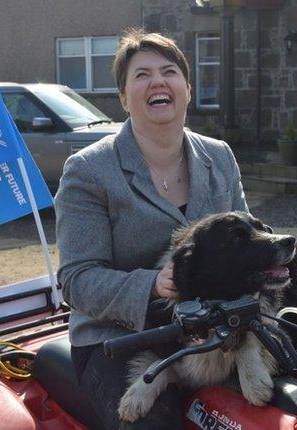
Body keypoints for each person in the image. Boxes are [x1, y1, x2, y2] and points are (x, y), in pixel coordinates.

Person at [54, 29, 249, 429]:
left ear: (187, 89)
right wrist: (153, 286)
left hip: (214, 330)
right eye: (142, 74)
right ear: (124, 98)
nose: (158, 81)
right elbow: (77, 279)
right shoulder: (89, 170)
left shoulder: (219, 156)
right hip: (118, 341)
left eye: (169, 71)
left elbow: (249, 245)